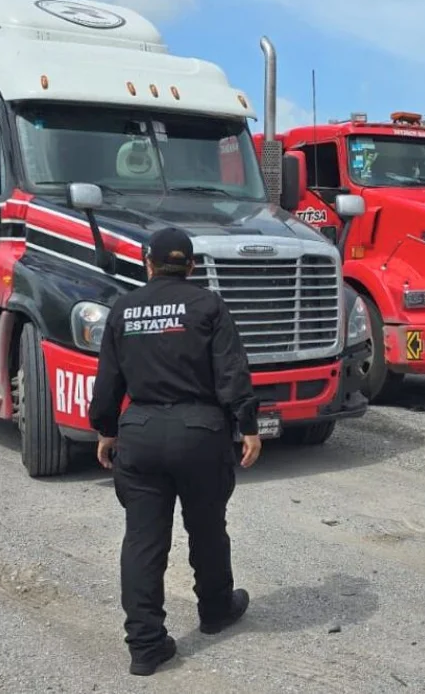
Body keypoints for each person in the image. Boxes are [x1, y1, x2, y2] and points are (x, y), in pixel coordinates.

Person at [88, 226, 262, 676]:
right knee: (207, 528)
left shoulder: (124, 309)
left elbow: (108, 381)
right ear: (191, 265)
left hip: (141, 433)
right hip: (200, 432)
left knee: (143, 539)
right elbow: (232, 371)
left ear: (148, 263)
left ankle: (145, 646)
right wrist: (247, 425)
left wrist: (106, 430)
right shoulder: (209, 306)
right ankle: (216, 610)